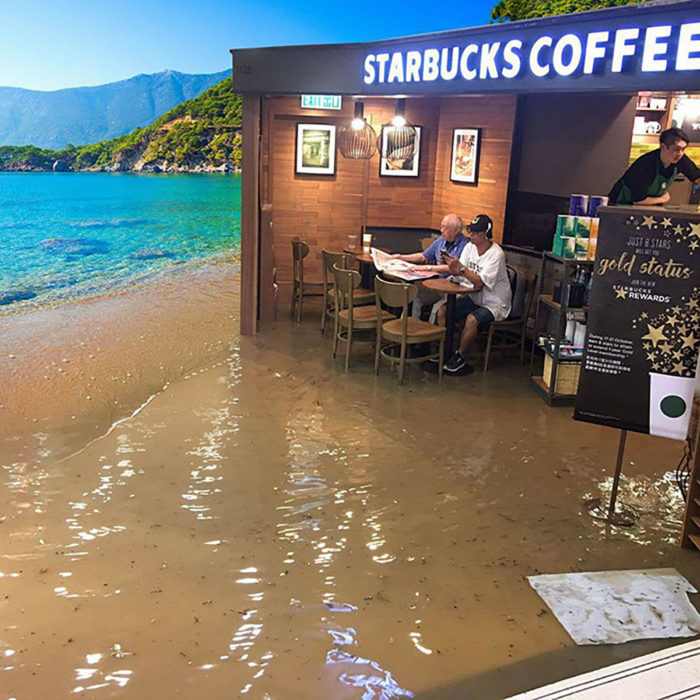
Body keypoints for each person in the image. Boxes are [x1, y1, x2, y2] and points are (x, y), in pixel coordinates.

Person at [438, 214, 512, 376]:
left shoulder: (496, 254)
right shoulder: (469, 247)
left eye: (475, 232)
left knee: (472, 319)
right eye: (470, 230)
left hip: (494, 303)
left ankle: (460, 356)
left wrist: (461, 268)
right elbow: (459, 272)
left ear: (485, 234)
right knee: (443, 310)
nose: (470, 234)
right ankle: (444, 350)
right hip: (474, 297)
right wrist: (451, 265)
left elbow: (479, 283)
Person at [391, 213, 468, 319]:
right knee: (415, 296)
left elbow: (454, 268)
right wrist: (402, 257)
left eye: (445, 228)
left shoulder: (465, 245)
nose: (441, 230)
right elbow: (423, 256)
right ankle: (410, 328)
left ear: (455, 231)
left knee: (437, 309)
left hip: (455, 289)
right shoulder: (441, 240)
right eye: (441, 227)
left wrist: (427, 268)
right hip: (438, 286)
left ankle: (433, 333)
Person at [609, 127, 700, 206]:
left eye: (683, 149)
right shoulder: (646, 164)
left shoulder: (681, 159)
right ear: (663, 147)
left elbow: (697, 177)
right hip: (620, 204)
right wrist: (663, 199)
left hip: (649, 205)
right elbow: (638, 200)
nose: (680, 153)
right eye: (676, 149)